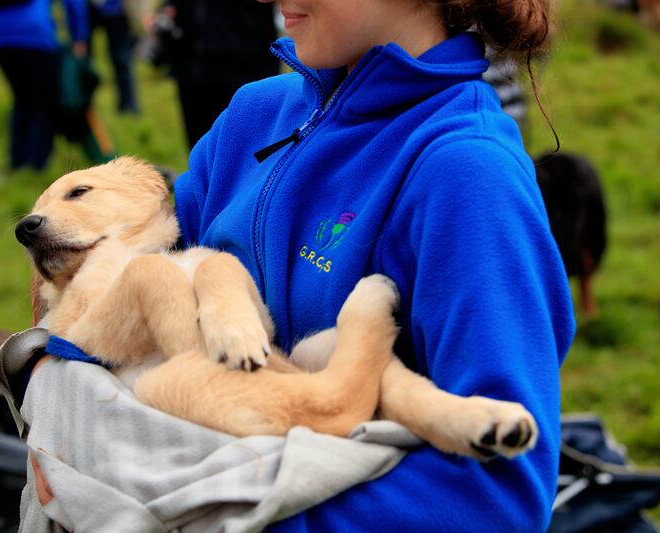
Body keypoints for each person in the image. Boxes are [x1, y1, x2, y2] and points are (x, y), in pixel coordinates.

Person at [171, 0, 575, 531]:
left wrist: (231, 521)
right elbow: (131, 274)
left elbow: (500, 495)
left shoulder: (467, 174)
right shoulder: (252, 115)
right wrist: (47, 370)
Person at [0, 0, 89, 170]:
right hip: (36, 35)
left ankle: (16, 162)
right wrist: (79, 36)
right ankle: (35, 164)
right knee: (42, 103)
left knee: (21, 100)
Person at [150, 0, 280, 148]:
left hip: (244, 69)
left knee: (245, 151)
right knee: (200, 150)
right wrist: (167, 10)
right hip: (192, 69)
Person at [86, 0, 139, 114]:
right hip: (90, 8)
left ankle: (128, 105)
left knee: (122, 59)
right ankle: (83, 104)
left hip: (116, 10)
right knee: (85, 58)